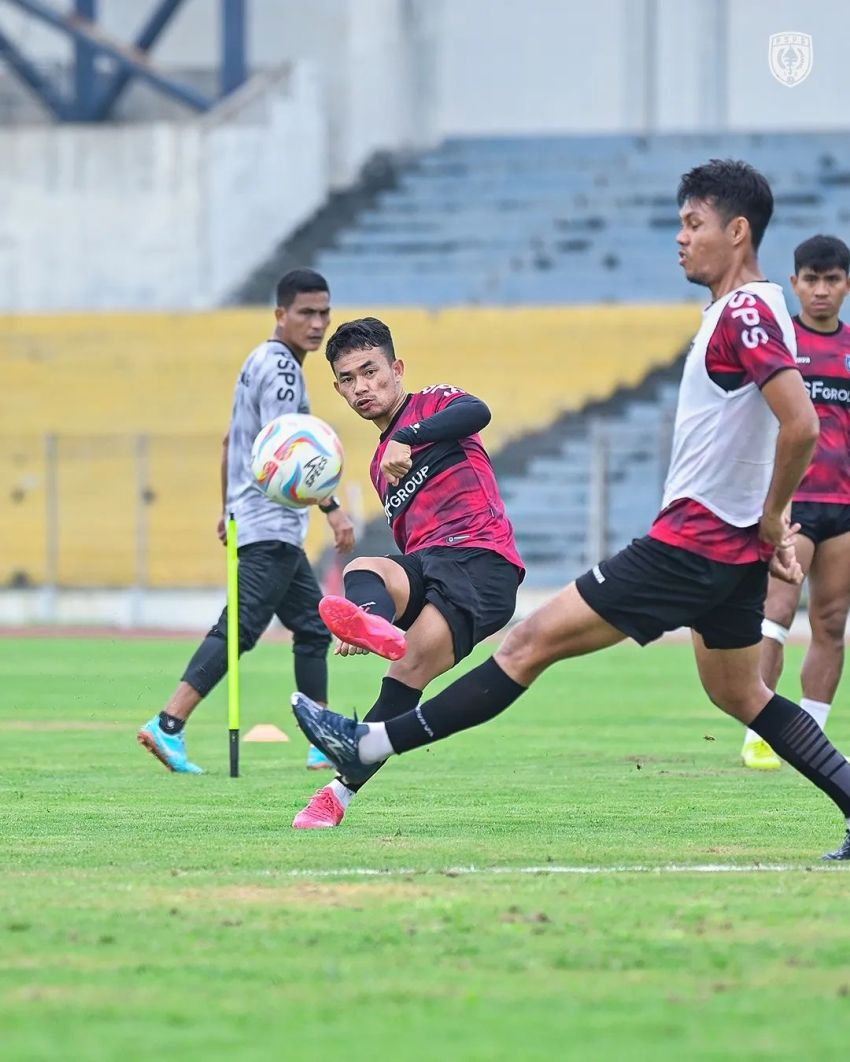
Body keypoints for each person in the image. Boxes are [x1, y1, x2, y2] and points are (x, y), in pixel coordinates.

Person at [294, 160, 850, 862]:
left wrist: (773, 518)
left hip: (692, 539)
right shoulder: (755, 308)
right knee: (743, 695)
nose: (680, 238)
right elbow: (764, 429)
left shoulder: (742, 311)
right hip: (728, 543)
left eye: (693, 224)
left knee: (527, 647)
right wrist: (762, 523)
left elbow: (799, 425)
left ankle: (368, 740)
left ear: (737, 231)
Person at [291, 316, 525, 827]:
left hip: (481, 561)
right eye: (348, 380)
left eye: (371, 371)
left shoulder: (432, 405)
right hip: (432, 562)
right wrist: (370, 614)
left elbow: (477, 411)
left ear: (396, 369)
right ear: (338, 388)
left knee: (404, 674)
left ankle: (337, 792)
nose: (362, 388)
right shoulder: (380, 464)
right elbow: (411, 550)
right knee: (365, 569)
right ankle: (368, 622)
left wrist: (410, 435)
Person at [138, 268, 355, 773]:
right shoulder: (282, 372)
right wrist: (333, 508)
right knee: (240, 628)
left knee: (311, 626)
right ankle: (168, 723)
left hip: (257, 517)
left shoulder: (259, 360)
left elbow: (229, 442)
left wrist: (225, 506)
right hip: (271, 523)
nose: (318, 323)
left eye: (324, 312)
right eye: (306, 312)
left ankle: (321, 739)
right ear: (281, 315)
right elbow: (291, 451)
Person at [741, 235, 850, 769]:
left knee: (831, 622)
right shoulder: (782, 347)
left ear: (846, 285)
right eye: (811, 278)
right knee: (776, 614)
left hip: (846, 506)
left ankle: (813, 734)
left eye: (832, 279)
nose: (822, 290)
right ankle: (763, 734)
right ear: (795, 283)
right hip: (796, 501)